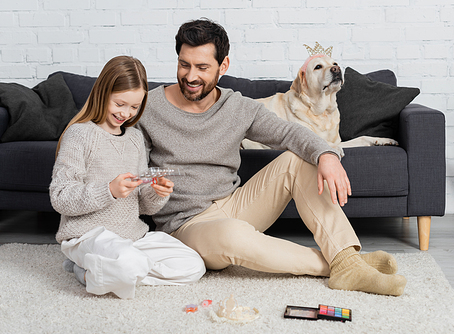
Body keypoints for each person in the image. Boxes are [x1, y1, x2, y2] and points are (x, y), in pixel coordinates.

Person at [135, 19, 407, 296]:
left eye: (202, 67)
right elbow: (129, 168)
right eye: (184, 64)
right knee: (232, 236)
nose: (191, 76)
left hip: (234, 204)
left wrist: (327, 155)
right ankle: (345, 262)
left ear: (223, 66)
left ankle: (346, 261)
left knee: (298, 159)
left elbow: (289, 133)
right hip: (187, 226)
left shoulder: (237, 106)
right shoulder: (148, 107)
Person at [50, 55, 206, 299]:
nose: (126, 113)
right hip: (88, 235)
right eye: (120, 104)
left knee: (193, 265)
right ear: (103, 93)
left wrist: (156, 192)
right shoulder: (79, 134)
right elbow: (60, 197)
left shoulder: (134, 139)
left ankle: (108, 269)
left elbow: (143, 205)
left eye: (134, 107)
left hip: (132, 237)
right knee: (129, 263)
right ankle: (89, 269)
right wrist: (109, 191)